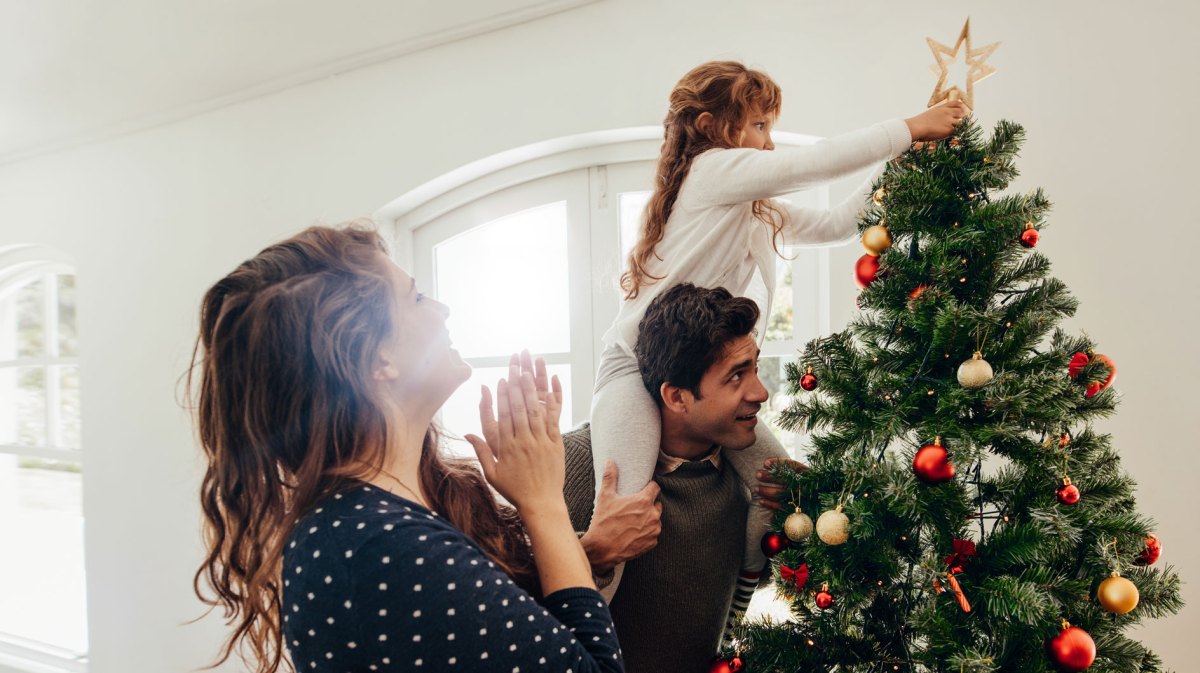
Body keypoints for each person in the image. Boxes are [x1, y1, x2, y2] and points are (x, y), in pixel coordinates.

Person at [590, 60, 967, 593]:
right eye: (760, 126)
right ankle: (583, 635)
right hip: (635, 367)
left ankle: (740, 601)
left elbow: (840, 224)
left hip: (708, 377)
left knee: (781, 487)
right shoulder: (711, 172)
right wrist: (910, 126)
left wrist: (902, 161)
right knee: (625, 510)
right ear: (709, 128)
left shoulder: (756, 209)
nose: (769, 145)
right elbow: (812, 165)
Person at [190, 224, 624, 673]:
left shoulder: (388, 517)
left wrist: (585, 545)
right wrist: (544, 502)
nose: (442, 308)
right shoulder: (377, 545)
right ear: (380, 359)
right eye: (416, 298)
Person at [564, 282, 799, 673]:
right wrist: (594, 551)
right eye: (736, 376)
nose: (761, 392)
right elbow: (508, 601)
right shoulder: (576, 464)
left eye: (755, 367)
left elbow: (742, 584)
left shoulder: (744, 480)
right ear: (676, 397)